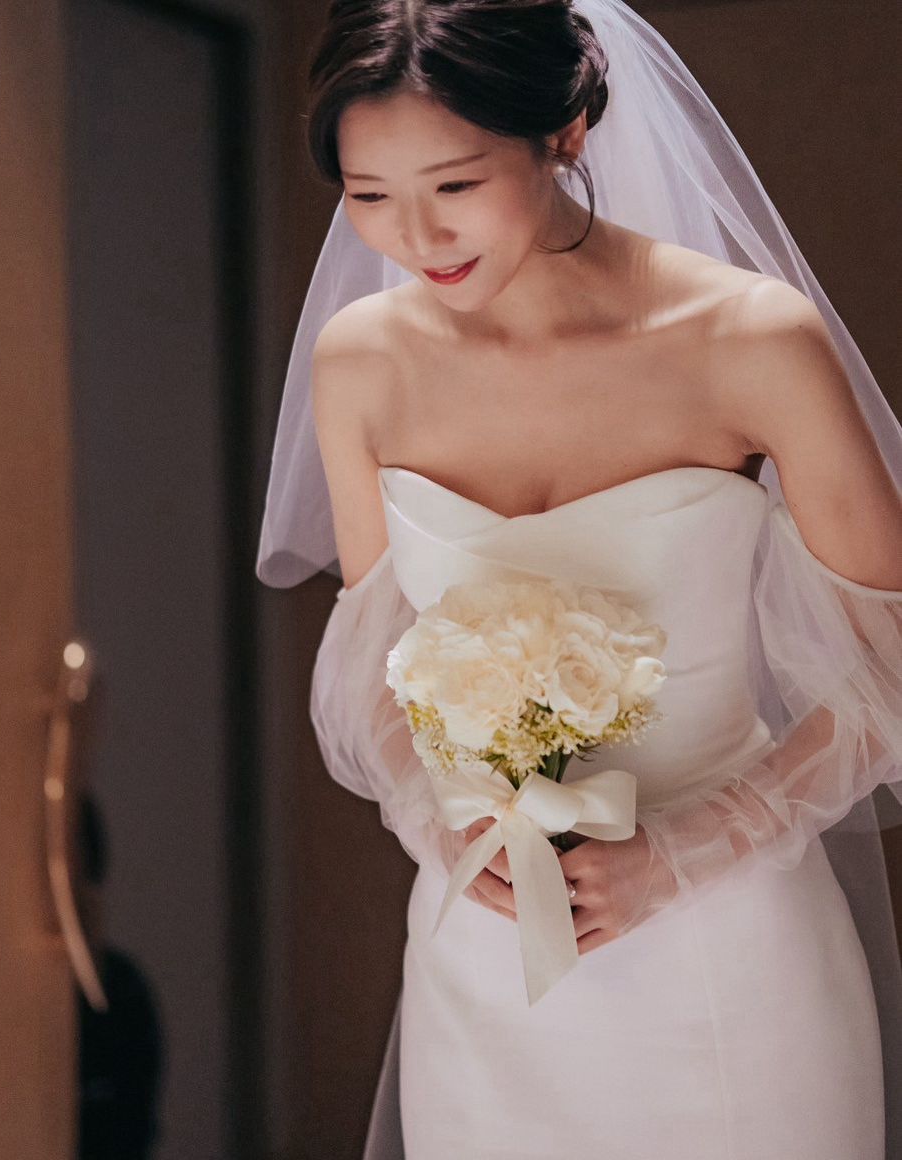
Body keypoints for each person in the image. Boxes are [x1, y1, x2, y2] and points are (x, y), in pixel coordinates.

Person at [256, 1, 902, 1156]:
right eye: (369, 196)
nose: (416, 234)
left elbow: (889, 664)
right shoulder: (363, 359)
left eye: (455, 185)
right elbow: (374, 661)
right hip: (486, 956)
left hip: (727, 941)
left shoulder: (749, 339)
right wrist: (442, 825)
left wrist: (693, 848)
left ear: (565, 132)